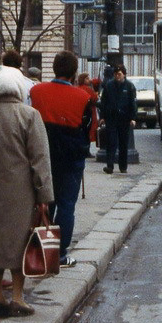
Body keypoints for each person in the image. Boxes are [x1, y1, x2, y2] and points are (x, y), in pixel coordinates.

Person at [0, 68, 54, 318]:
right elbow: (40, 160)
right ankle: (17, 297)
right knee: (21, 243)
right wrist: (44, 196)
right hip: (22, 191)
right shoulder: (29, 115)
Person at [30, 51, 95, 267]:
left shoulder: (37, 91)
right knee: (67, 205)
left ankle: (39, 248)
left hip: (43, 155)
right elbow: (89, 131)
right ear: (74, 72)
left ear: (54, 68)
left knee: (45, 202)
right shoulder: (84, 98)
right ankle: (59, 254)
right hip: (70, 157)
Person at [98, 65, 137, 175]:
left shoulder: (129, 86)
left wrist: (133, 118)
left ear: (124, 74)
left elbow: (133, 103)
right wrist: (102, 117)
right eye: (115, 74)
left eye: (119, 74)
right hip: (111, 118)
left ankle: (123, 166)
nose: (117, 76)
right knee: (111, 142)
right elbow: (103, 102)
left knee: (123, 143)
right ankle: (110, 166)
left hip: (124, 118)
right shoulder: (109, 86)